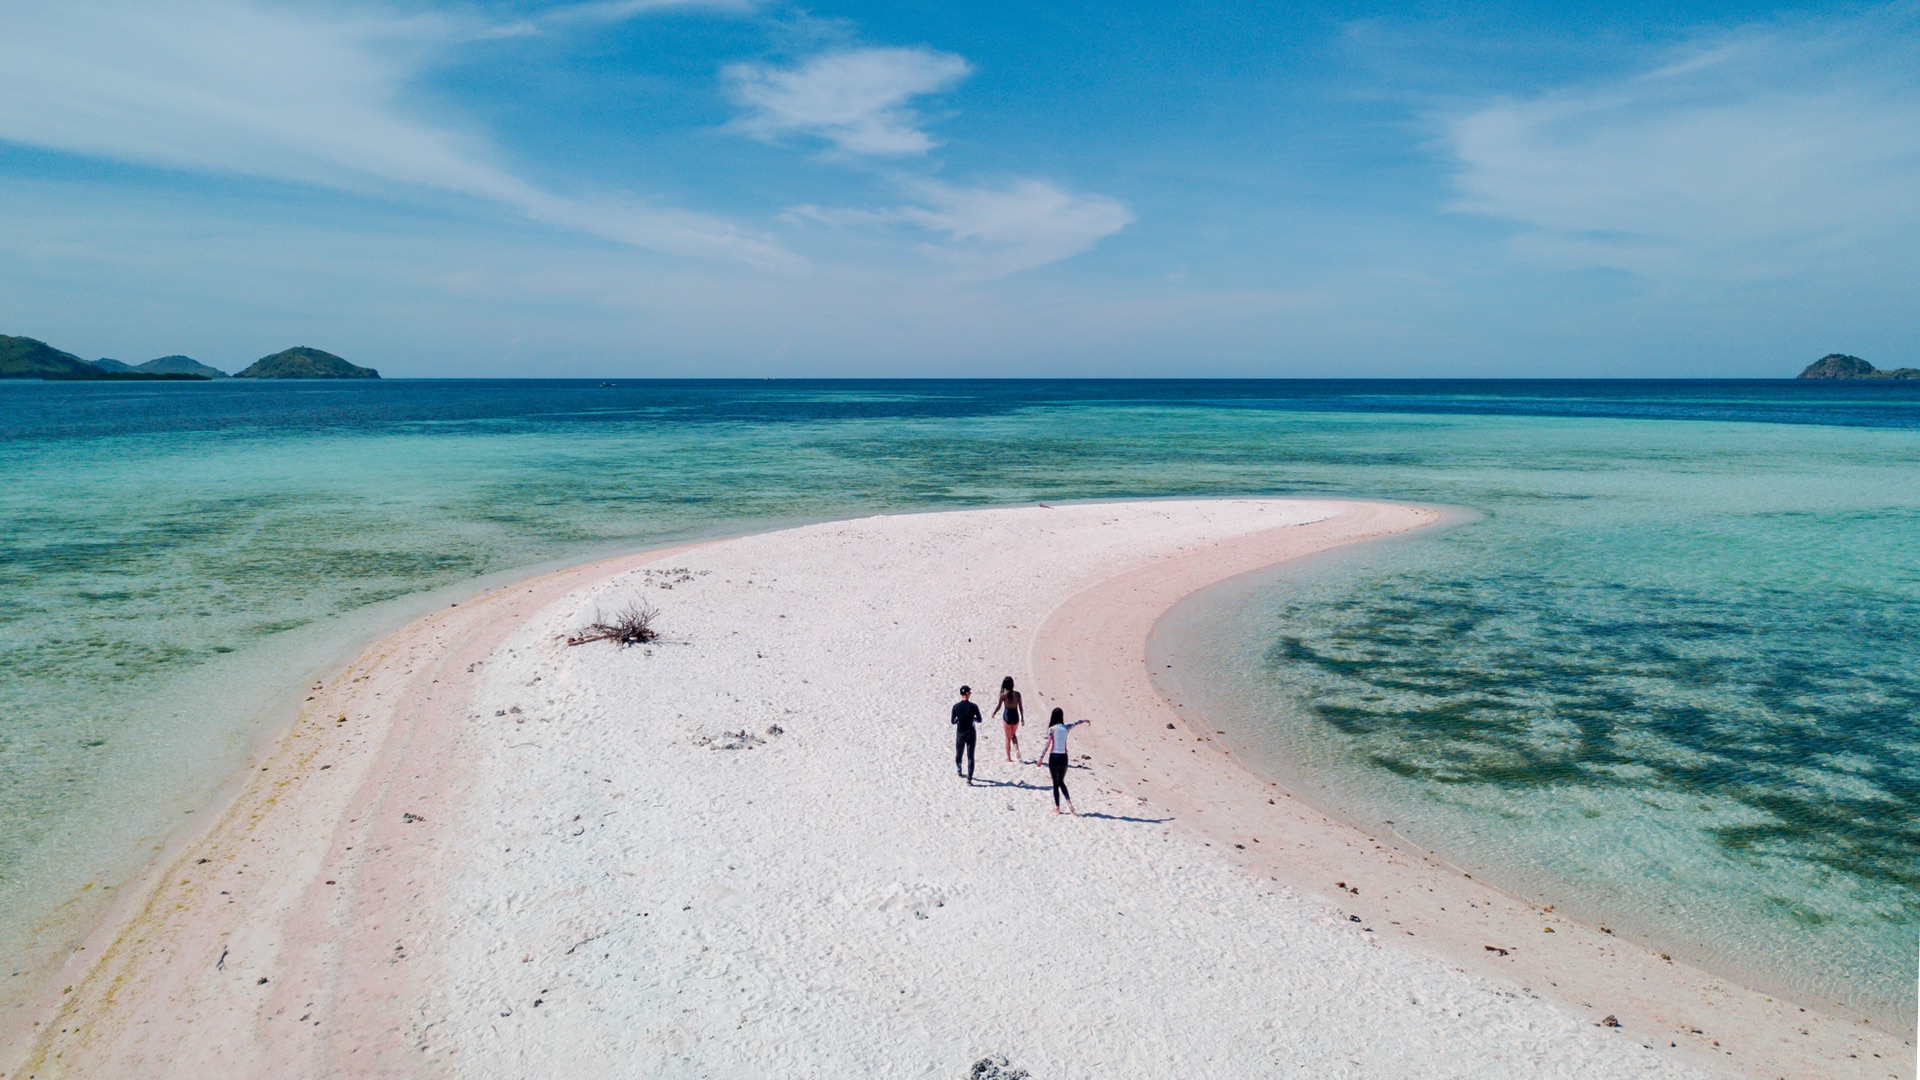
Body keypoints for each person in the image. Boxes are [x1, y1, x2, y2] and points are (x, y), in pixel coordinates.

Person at [1037, 707, 1090, 814]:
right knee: (1061, 781)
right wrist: (1084, 721)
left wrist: (1041, 758)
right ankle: (1069, 801)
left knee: (1056, 784)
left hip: (1054, 757)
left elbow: (1047, 744)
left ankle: (1057, 808)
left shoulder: (1051, 729)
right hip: (1064, 758)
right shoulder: (1066, 727)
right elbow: (1076, 723)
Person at [950, 686, 982, 785]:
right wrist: (973, 719)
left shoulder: (956, 707)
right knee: (970, 756)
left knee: (959, 753)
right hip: (971, 733)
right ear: (967, 693)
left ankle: (959, 769)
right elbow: (979, 719)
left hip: (960, 733)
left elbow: (953, 721)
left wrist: (959, 720)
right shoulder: (973, 706)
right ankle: (969, 779)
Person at [993, 676, 1024, 762]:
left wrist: (994, 713)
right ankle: (1017, 749)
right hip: (1015, 716)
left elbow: (999, 706)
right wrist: (1022, 718)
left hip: (1007, 716)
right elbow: (1020, 707)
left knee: (1007, 738)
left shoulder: (1003, 695)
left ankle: (1008, 758)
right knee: (1013, 734)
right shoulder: (1017, 694)